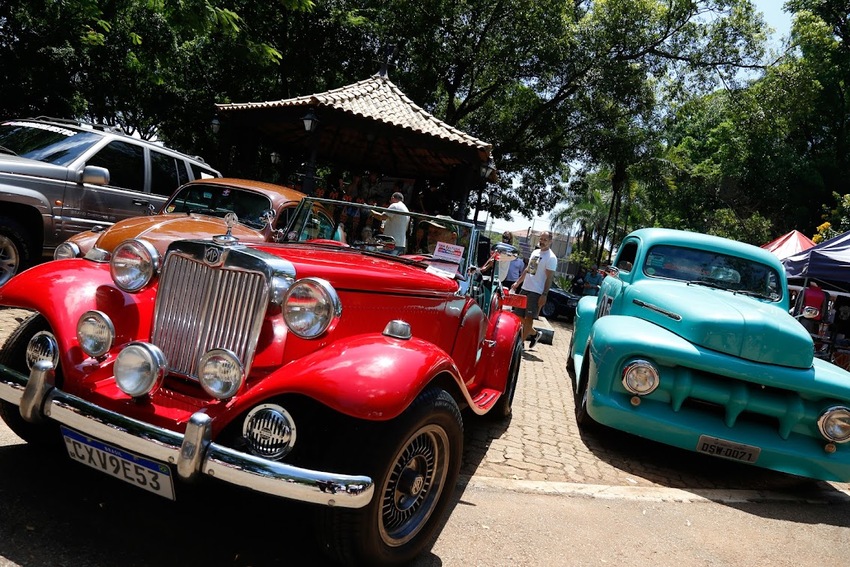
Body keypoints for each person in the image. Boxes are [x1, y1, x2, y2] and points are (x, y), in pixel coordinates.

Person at [510, 231, 558, 349]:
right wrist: (517, 283)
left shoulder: (551, 258)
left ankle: (520, 345)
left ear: (550, 242)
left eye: (545, 240)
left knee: (529, 319)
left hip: (537, 292)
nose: (542, 241)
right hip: (525, 288)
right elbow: (528, 270)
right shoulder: (536, 252)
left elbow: (549, 278)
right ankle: (535, 334)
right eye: (541, 239)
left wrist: (544, 294)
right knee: (519, 317)